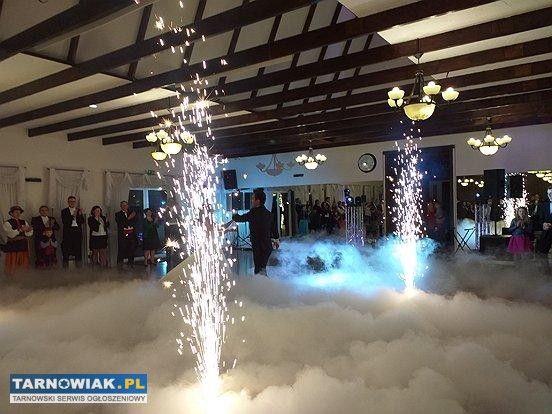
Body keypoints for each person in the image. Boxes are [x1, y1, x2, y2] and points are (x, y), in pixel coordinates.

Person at [232, 188, 279, 276]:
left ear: (258, 201)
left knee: (258, 268)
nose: (251, 201)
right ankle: (263, 281)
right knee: (262, 267)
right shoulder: (269, 214)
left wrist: (234, 214)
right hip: (267, 246)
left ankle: (260, 283)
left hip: (258, 245)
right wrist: (276, 240)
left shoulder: (253, 213)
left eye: (253, 198)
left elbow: (240, 218)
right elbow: (274, 229)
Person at [2, 206, 33, 274]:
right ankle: (12, 275)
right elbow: (11, 234)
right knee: (13, 260)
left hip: (23, 245)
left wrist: (29, 230)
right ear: (11, 213)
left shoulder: (24, 221)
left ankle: (22, 275)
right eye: (16, 212)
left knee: (23, 260)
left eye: (19, 212)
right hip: (13, 245)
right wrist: (21, 230)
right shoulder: (7, 223)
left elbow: (29, 234)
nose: (18, 214)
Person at [61, 196, 84, 267]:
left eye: (74, 201)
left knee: (78, 249)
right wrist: (73, 216)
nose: (72, 203)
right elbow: (65, 221)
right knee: (66, 249)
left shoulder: (78, 210)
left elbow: (82, 221)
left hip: (77, 232)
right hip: (68, 233)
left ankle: (78, 267)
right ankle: (66, 267)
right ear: (68, 202)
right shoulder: (64, 211)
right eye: (70, 201)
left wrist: (79, 215)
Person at [115, 201, 137, 268]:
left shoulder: (132, 213)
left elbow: (135, 222)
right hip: (123, 235)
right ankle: (120, 264)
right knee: (122, 249)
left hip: (131, 234)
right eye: (123, 205)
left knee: (131, 249)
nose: (124, 206)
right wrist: (129, 218)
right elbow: (121, 224)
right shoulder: (118, 214)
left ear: (128, 206)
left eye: (125, 205)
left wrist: (130, 218)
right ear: (120, 206)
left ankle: (131, 263)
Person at [535, 186, 552, 273]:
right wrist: (543, 224)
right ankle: (546, 272)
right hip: (546, 233)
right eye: (548, 193)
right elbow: (539, 219)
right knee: (542, 253)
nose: (550, 195)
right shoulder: (543, 205)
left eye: (551, 193)